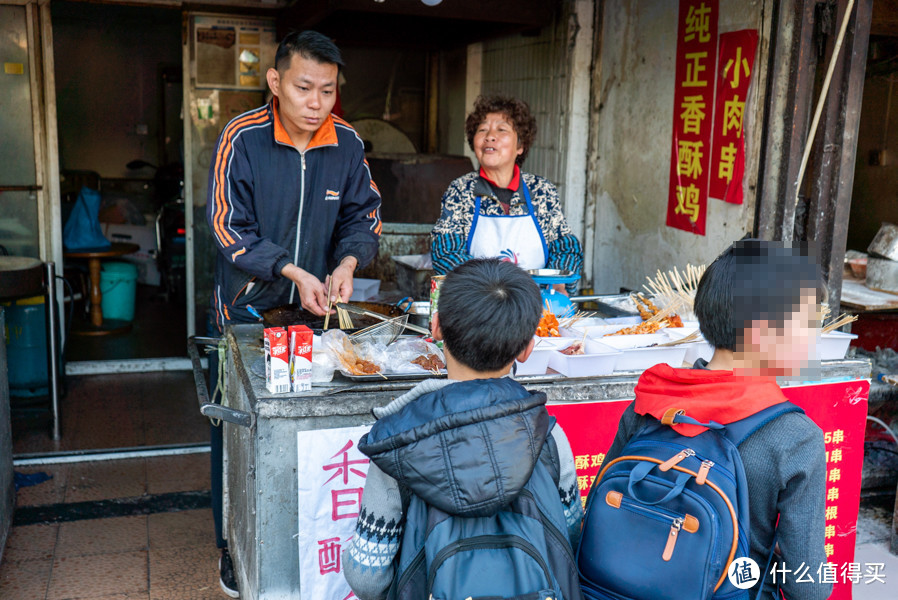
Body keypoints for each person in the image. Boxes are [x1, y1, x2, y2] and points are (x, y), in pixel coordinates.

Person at [205, 30, 381, 598]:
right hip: (249, 314)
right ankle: (231, 546)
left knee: (311, 431)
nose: (316, 103)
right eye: (304, 88)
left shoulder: (347, 143)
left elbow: (364, 215)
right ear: (275, 82)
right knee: (239, 432)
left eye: (327, 91)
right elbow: (228, 228)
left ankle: (306, 547)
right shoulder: (243, 138)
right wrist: (293, 270)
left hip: (317, 316)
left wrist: (348, 261)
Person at [597, 239, 830, 600]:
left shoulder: (652, 402)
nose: (814, 337)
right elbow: (810, 587)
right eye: (807, 323)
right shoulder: (796, 438)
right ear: (762, 330)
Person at [342, 259, 583, 600]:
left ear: (436, 327)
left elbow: (367, 578)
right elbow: (568, 536)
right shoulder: (548, 434)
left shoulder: (399, 440)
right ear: (528, 348)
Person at [431, 95, 583, 294]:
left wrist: (559, 281)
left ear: (520, 146)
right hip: (479, 306)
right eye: (482, 130)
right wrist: (497, 286)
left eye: (501, 129)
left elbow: (566, 246)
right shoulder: (461, 191)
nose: (490, 136)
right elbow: (445, 252)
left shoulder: (541, 191)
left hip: (537, 306)